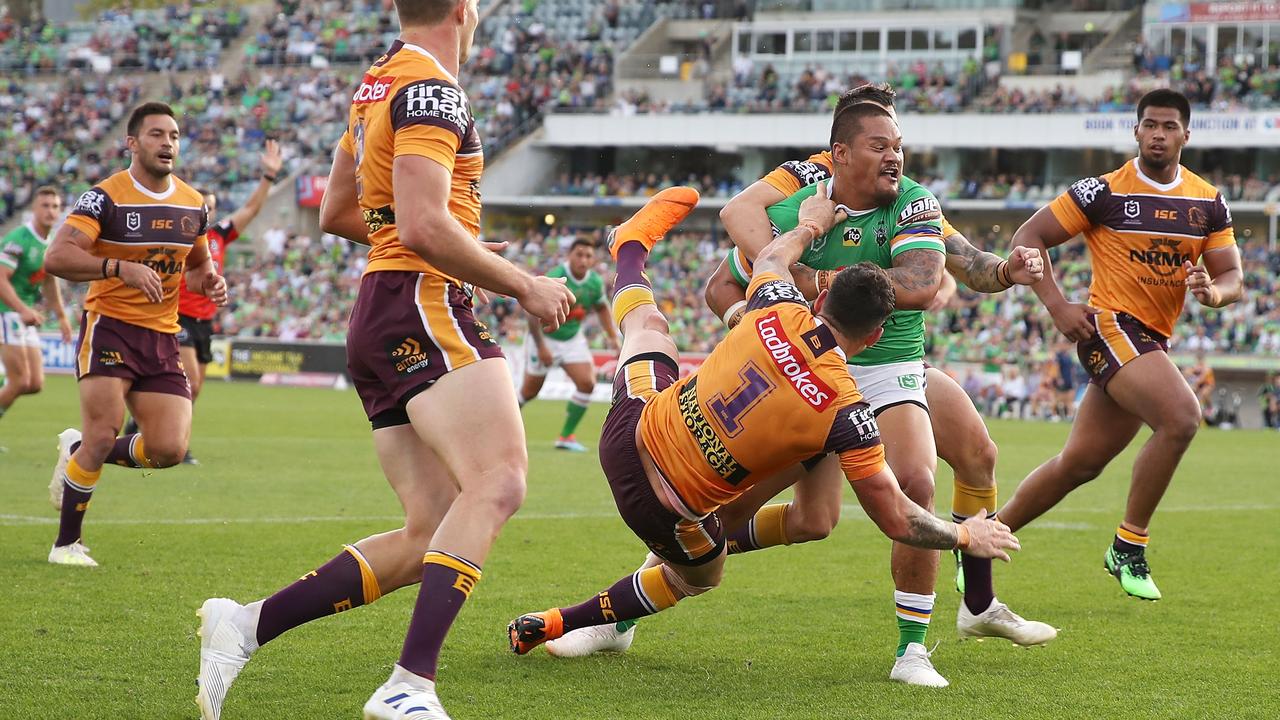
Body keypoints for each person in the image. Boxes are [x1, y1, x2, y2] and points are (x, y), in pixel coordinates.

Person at [194, 2, 573, 719]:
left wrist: (415, 242)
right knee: (498, 481)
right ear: (463, 10)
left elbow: (340, 210)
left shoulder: (376, 85)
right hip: (421, 299)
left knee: (429, 528)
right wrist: (522, 282)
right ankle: (409, 686)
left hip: (381, 305)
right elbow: (426, 224)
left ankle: (245, 625)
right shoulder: (433, 91)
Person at [508, 184, 1020, 661]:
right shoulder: (846, 410)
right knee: (700, 576)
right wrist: (964, 537)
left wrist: (808, 227)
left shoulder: (776, 305)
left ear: (820, 301)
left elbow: (771, 257)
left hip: (628, 434)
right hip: (669, 510)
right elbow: (895, 516)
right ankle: (559, 621)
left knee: (649, 329)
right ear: (875, 335)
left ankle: (628, 250)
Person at [671, 87, 1052, 687]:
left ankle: (920, 645)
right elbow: (725, 282)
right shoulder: (801, 207)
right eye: (881, 146)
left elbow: (930, 279)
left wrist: (1004, 271)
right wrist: (752, 318)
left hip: (888, 367)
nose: (896, 156)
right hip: (807, 377)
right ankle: (630, 600)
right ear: (839, 156)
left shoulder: (913, 203)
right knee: (767, 515)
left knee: (937, 470)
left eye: (899, 145)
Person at [997, 89, 1243, 601]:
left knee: (1079, 465)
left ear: (1186, 135)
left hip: (1153, 341)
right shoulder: (1103, 191)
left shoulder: (1207, 200)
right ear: (1135, 131)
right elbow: (1028, 235)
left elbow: (1232, 274)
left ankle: (981, 537)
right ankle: (1128, 546)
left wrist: (1213, 293)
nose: (1158, 133)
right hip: (1108, 327)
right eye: (1149, 124)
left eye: (1169, 126)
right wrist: (1058, 306)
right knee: (1181, 417)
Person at [42, 101, 228, 567]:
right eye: (156, 134)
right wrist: (116, 267)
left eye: (174, 135)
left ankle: (78, 451)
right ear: (132, 142)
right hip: (110, 327)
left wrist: (209, 282)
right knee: (103, 433)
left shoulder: (192, 204)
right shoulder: (105, 198)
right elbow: (57, 258)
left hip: (163, 336)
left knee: (168, 449)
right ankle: (66, 544)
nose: (167, 143)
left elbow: (199, 265)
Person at [123, 139, 284, 464]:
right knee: (191, 381)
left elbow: (251, 210)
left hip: (205, 321)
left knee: (195, 388)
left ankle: (142, 430)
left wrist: (268, 178)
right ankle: (168, 440)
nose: (205, 211)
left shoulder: (219, 235)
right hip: (178, 316)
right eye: (202, 205)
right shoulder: (179, 234)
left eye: (209, 206)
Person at [518, 236, 618, 452]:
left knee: (587, 383)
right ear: (569, 256)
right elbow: (531, 315)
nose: (583, 260)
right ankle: (501, 429)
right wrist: (542, 346)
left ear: (593, 260)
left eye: (588, 256)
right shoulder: (556, 278)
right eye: (579, 254)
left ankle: (566, 436)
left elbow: (601, 308)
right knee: (528, 392)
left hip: (572, 339)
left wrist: (612, 337)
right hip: (546, 338)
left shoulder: (594, 282)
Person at [0, 187, 72, 431]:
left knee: (34, 383)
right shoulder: (18, 240)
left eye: (55, 206)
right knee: (19, 380)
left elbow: (50, 280)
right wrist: (22, 309)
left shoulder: (52, 243)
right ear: (33, 209)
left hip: (23, 313)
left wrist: (62, 317)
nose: (50, 211)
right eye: (45, 205)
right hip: (6, 311)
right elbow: (0, 279)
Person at [1182, 351, 1215, 422]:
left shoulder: (1207, 367)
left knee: (1204, 394)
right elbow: (1185, 373)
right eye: (1198, 360)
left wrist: (1195, 383)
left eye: (1200, 360)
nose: (1199, 361)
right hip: (1198, 385)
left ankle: (1209, 408)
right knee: (1190, 394)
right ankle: (1194, 409)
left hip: (1207, 384)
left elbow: (1202, 378)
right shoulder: (1195, 367)